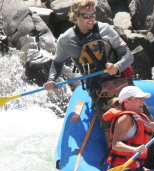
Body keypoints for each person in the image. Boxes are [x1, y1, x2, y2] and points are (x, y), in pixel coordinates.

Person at [43, 0, 142, 137]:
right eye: (86, 16)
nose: (91, 19)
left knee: (143, 113)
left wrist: (117, 66)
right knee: (107, 123)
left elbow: (128, 55)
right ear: (76, 16)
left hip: (120, 79)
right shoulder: (65, 40)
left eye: (93, 15)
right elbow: (58, 63)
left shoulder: (105, 29)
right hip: (97, 87)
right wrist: (52, 79)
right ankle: (113, 152)